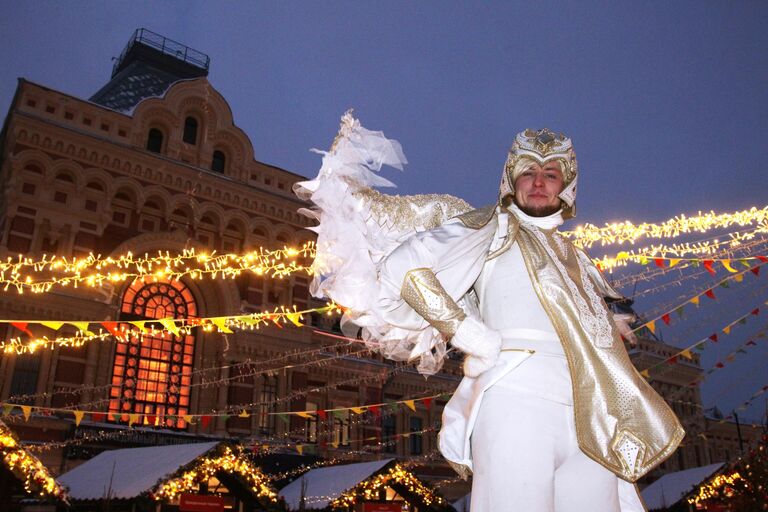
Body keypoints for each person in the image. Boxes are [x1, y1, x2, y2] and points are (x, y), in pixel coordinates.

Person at [296, 115, 684, 512]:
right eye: (527, 171)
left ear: (565, 186)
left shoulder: (578, 259)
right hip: (517, 397)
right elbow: (405, 271)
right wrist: (465, 331)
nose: (538, 182)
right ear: (510, 180)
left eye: (550, 174)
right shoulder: (490, 227)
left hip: (589, 414)